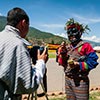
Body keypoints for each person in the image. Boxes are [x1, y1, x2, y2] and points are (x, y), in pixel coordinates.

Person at [0, 7, 48, 100]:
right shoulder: (17, 44)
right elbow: (29, 85)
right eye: (28, 25)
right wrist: (41, 62)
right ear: (23, 23)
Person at [64, 18, 98, 100]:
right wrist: (61, 54)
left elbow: (93, 62)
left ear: (80, 33)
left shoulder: (86, 46)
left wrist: (78, 65)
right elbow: (62, 62)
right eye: (69, 33)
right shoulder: (67, 47)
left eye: (74, 32)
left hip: (81, 81)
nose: (71, 35)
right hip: (68, 79)